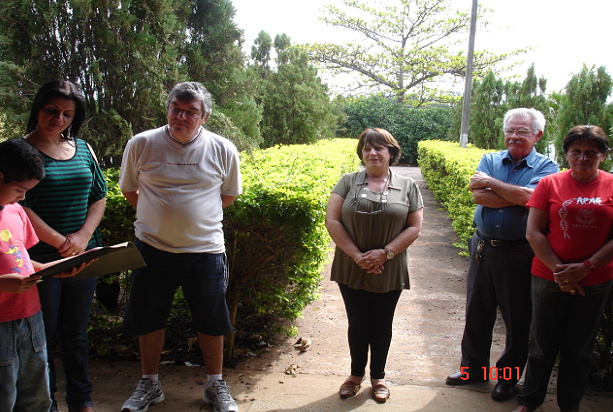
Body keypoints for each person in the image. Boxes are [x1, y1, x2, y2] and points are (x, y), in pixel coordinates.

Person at [119, 81, 242, 412]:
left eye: (191, 111)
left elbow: (228, 195)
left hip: (205, 251)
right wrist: (159, 216)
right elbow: (129, 189)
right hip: (151, 248)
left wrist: (190, 218)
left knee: (211, 320)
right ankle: (150, 384)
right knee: (148, 319)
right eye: (176, 109)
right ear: (168, 109)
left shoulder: (223, 149)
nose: (181, 116)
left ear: (205, 116)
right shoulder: (142, 144)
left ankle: (215, 385)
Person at [445, 108, 559, 402]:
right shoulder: (491, 159)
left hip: (519, 253)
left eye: (522, 131)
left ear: (537, 135)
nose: (514, 136)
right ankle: (473, 370)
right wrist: (514, 195)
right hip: (483, 247)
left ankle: (507, 379)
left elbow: (531, 198)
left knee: (517, 321)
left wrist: (493, 184)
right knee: (476, 312)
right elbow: (478, 195)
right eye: (510, 130)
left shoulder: (548, 167)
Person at [512, 125, 613, 412]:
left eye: (591, 152)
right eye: (576, 151)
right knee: (542, 345)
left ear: (604, 155)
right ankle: (529, 401)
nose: (583, 157)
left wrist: (587, 267)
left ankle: (570, 405)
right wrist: (562, 273)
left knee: (579, 348)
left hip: (596, 280)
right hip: (548, 278)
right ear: (566, 154)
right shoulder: (550, 184)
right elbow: (534, 232)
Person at [21, 80, 107, 412]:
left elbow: (99, 196)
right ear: (38, 109)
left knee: (76, 334)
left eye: (67, 114)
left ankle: (81, 401)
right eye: (51, 110)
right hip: (40, 260)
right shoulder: (18, 151)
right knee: (42, 337)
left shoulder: (84, 148)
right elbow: (19, 205)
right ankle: (46, 403)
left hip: (83, 256)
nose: (58, 118)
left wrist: (82, 237)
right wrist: (60, 242)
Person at [325, 128, 424, 403]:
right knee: (357, 322)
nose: (372, 153)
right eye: (367, 148)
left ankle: (378, 377)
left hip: (390, 266)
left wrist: (385, 253)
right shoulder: (347, 182)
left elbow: (414, 227)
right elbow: (332, 220)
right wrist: (357, 255)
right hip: (351, 264)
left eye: (379, 148)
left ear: (391, 153)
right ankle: (355, 375)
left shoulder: (408, 186)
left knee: (382, 323)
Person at [0, 138, 94, 412]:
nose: (22, 198)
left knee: (37, 397)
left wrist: (51, 269)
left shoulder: (16, 211)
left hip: (31, 317)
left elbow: (21, 259)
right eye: (19, 190)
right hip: (2, 322)